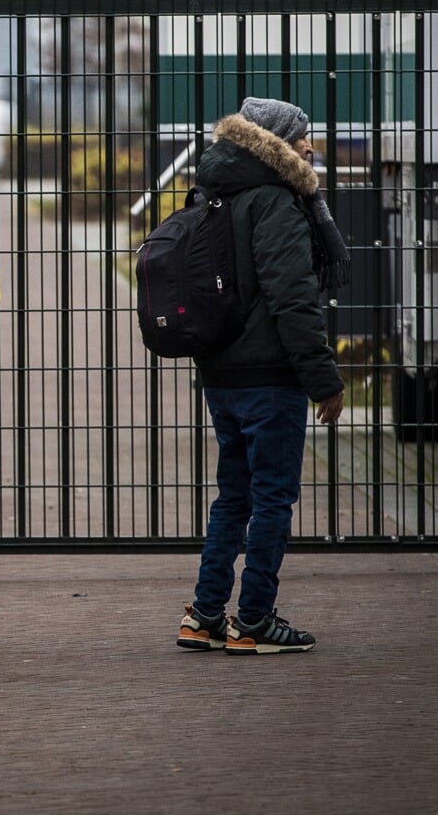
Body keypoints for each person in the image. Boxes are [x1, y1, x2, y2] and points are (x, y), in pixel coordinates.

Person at [177, 96, 348, 655]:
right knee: (272, 498)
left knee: (233, 496)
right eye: (302, 136)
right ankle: (253, 620)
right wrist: (323, 378)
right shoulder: (274, 200)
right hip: (269, 376)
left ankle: (204, 615)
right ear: (274, 141)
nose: (309, 146)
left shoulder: (212, 191)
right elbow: (293, 299)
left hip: (221, 371)